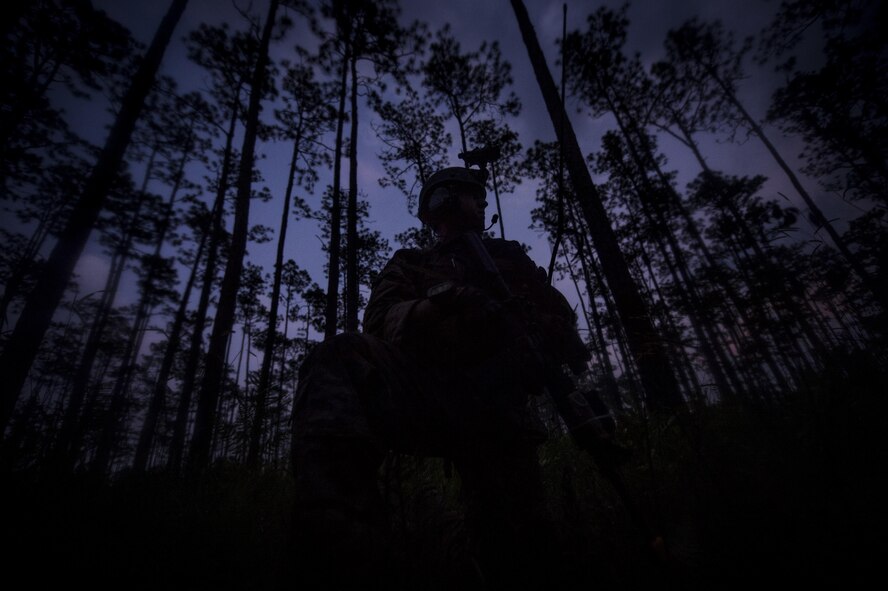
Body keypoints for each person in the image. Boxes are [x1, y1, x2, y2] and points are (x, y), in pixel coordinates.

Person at [290, 165, 592, 588]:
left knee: (518, 547)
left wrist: (537, 330)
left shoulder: (511, 258)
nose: (483, 205)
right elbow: (379, 318)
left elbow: (562, 323)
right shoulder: (412, 263)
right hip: (430, 394)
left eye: (484, 199)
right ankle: (338, 537)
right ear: (443, 201)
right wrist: (444, 306)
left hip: (500, 413)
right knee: (341, 357)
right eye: (475, 196)